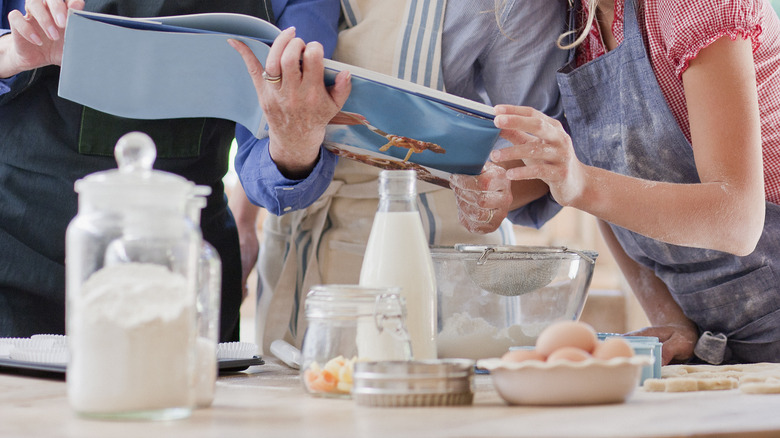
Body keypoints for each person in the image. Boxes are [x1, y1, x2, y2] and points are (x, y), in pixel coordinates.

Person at [450, 0, 780, 365]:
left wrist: (580, 182)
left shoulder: (692, 6)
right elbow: (607, 182)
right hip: (718, 337)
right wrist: (668, 317)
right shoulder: (579, 27)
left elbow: (737, 220)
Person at [229, 0, 571, 351]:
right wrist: (242, 221)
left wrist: (488, 189)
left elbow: (541, 150)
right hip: (300, 262)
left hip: (439, 270)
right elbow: (265, 114)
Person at [0, 0, 340, 341]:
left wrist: (294, 144)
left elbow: (271, 167)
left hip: (180, 277)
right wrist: (11, 55)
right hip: (18, 261)